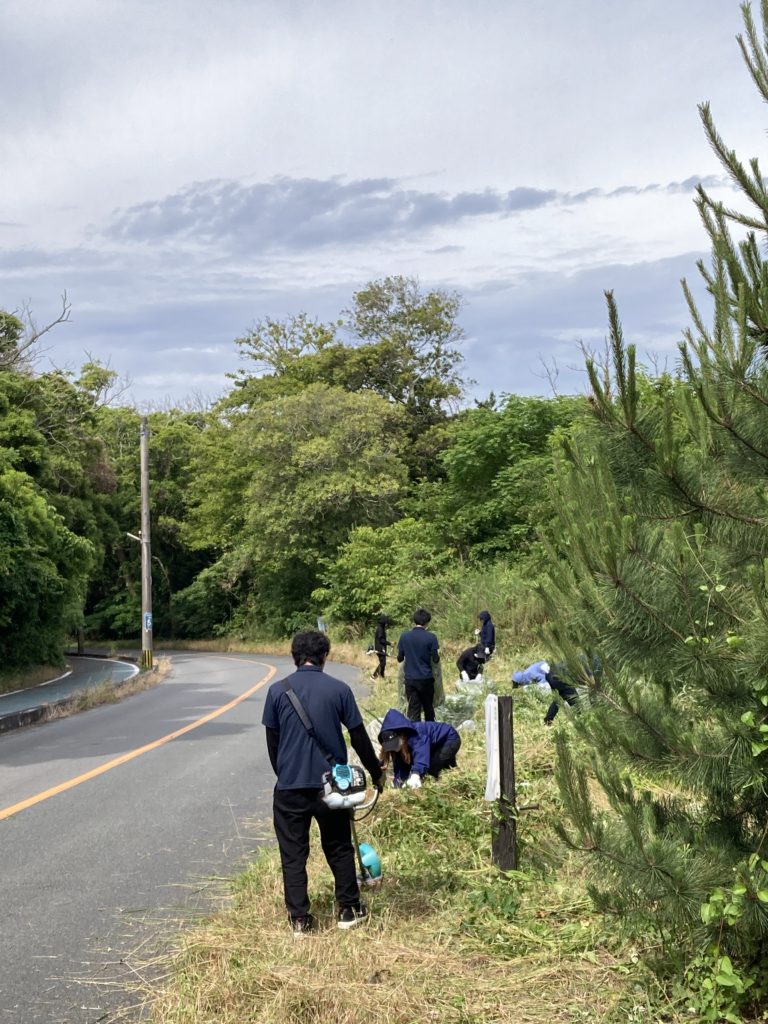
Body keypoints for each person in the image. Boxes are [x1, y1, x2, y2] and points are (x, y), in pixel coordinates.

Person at [262, 630, 384, 936]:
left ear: (294, 657)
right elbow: (359, 737)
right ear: (324, 657)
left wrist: (286, 773)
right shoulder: (339, 689)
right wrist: (375, 772)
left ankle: (300, 920)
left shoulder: (277, 692)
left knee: (293, 854)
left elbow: (272, 743)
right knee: (339, 847)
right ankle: (348, 909)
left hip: (290, 787)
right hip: (332, 786)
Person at [378, 708, 461, 789]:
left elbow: (421, 756)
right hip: (433, 745)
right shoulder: (397, 749)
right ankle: (455, 776)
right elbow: (400, 768)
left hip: (448, 739)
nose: (393, 748)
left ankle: (440, 787)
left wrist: (415, 775)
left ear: (401, 736)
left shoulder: (416, 736)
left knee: (430, 771)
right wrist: (398, 784)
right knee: (442, 768)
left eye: (394, 744)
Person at [397, 608, 440, 722]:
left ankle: (415, 735)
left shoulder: (404, 636)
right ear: (427, 623)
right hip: (426, 678)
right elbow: (435, 659)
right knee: (428, 708)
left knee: (413, 709)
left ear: (414, 621)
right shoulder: (431, 637)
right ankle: (430, 733)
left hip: (410, 679)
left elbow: (400, 658)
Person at [511, 659, 578, 725]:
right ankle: (580, 715)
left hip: (551, 675)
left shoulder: (528, 674)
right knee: (572, 696)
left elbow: (543, 677)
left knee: (558, 698)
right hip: (554, 675)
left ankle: (548, 720)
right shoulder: (528, 673)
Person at [371, 614, 393, 679]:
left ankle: (381, 676)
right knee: (383, 663)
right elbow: (381, 639)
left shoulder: (381, 627)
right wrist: (389, 643)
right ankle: (374, 676)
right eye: (386, 622)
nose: (386, 623)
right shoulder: (380, 629)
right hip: (380, 648)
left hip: (380, 648)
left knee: (383, 663)